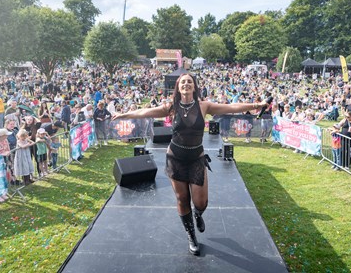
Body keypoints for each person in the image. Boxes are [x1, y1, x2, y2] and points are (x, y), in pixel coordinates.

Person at [112, 73, 267, 256]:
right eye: (182, 82)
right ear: (178, 87)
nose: (186, 84)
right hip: (175, 158)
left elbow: (230, 107)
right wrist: (124, 114)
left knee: (201, 202)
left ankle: (198, 214)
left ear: (194, 87)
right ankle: (191, 235)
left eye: (189, 82)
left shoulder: (204, 106)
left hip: (196, 159)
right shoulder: (171, 107)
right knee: (182, 199)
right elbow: (145, 111)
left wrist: (256, 106)